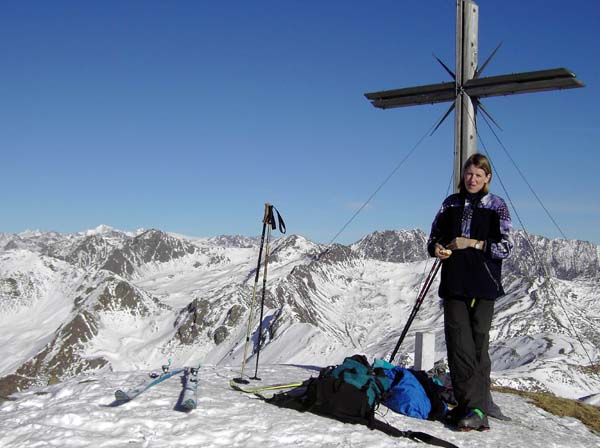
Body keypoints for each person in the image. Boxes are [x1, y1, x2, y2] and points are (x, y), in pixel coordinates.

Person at [427, 153, 513, 431]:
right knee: (458, 345)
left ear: (488, 177)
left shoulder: (497, 206)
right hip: (453, 283)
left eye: (478, 175)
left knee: (477, 347)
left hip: (483, 285)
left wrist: (473, 243)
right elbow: (433, 237)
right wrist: (437, 248)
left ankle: (476, 408)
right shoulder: (450, 204)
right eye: (468, 174)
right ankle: (471, 407)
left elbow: (506, 247)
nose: (472, 179)